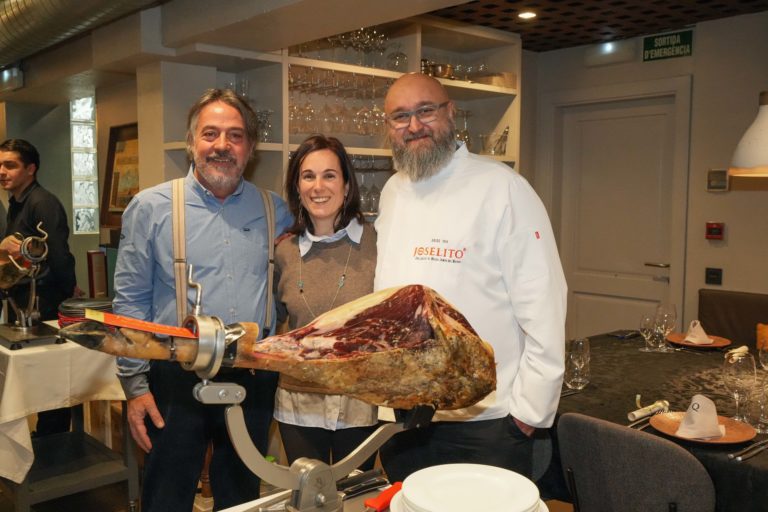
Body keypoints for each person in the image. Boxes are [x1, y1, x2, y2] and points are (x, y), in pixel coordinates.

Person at [374, 73, 568, 481]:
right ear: (388, 126)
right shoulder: (392, 192)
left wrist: (527, 415)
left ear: (451, 112)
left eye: (426, 111)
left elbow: (544, 303)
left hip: (485, 423)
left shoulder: (503, 188)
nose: (414, 126)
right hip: (405, 417)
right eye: (400, 116)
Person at [113, 88, 292, 512]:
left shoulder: (276, 210)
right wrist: (135, 388)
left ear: (250, 147)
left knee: (241, 497)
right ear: (192, 142)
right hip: (174, 376)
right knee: (166, 497)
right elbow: (130, 302)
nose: (222, 145)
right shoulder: (151, 207)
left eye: (235, 135)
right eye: (210, 134)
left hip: (252, 375)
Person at [273, 135, 378, 470]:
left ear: (346, 185)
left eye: (329, 175)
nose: (318, 187)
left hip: (361, 403)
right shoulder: (284, 251)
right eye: (308, 176)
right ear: (297, 187)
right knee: (307, 494)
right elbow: (274, 322)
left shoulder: (378, 242)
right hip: (298, 403)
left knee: (355, 492)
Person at [0, 138, 78, 436]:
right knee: (34, 378)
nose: (2, 171)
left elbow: (58, 253)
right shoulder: (16, 203)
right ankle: (43, 438)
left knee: (52, 379)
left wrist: (69, 292)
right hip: (22, 301)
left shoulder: (42, 203)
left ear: (30, 169)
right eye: (0, 165)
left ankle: (54, 441)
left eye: (10, 165)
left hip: (44, 301)